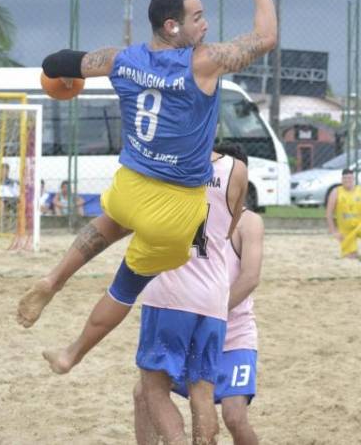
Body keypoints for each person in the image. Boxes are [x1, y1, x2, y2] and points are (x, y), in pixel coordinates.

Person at [15, 0, 274, 362]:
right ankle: (71, 354)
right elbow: (265, 39)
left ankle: (54, 279)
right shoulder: (202, 64)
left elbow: (56, 62)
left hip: (129, 187)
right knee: (125, 287)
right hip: (174, 209)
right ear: (173, 26)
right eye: (197, 18)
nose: (204, 24)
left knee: (109, 225)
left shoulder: (122, 59)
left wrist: (63, 78)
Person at [43, 145, 248, 445]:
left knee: (153, 389)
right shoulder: (236, 170)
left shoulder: (157, 164)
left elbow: (123, 220)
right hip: (214, 296)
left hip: (169, 292)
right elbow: (229, 230)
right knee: (202, 393)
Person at [133, 206, 263, 445]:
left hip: (233, 334)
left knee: (234, 417)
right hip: (191, 329)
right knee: (143, 394)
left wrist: (213, 312)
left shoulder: (249, 221)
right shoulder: (191, 210)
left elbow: (250, 277)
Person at [325, 168, 361, 260]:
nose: (347, 180)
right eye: (345, 178)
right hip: (346, 230)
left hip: (359, 224)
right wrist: (333, 231)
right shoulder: (336, 192)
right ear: (342, 180)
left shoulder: (360, 190)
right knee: (351, 257)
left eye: (350, 178)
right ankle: (352, 251)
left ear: (353, 179)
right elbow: (329, 213)